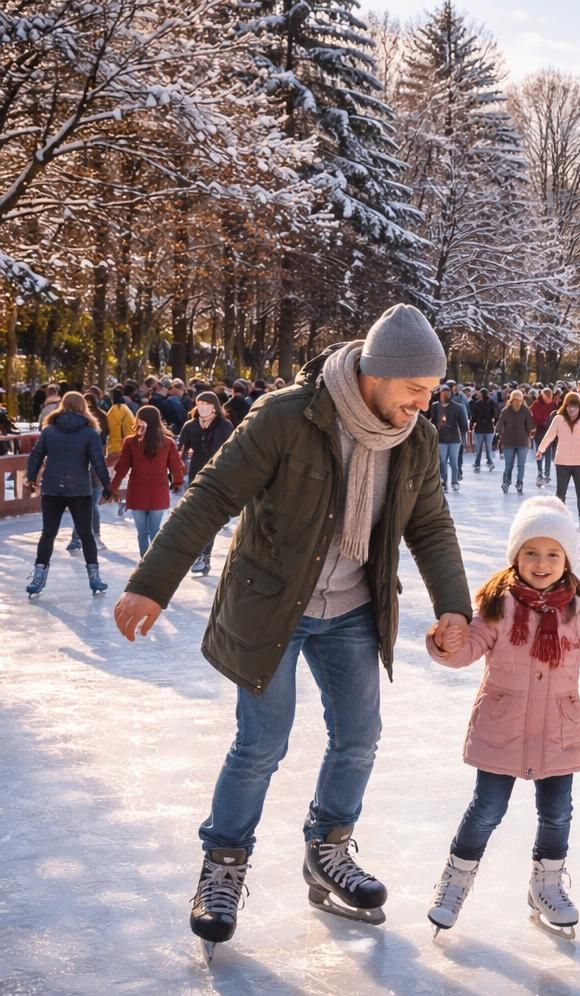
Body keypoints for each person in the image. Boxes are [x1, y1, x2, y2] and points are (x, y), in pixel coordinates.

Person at [110, 304, 472, 957]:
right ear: (376, 374)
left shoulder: (411, 440)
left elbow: (431, 527)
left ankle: (328, 849)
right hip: (272, 604)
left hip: (355, 607)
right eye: (415, 389)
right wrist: (151, 582)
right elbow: (213, 493)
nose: (425, 403)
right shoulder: (288, 415)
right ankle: (223, 864)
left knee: (360, 736)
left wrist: (455, 607)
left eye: (430, 390)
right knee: (261, 744)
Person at [422, 497, 580, 939]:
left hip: (558, 735)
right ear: (515, 557)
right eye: (530, 552)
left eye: (552, 554)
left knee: (557, 815)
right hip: (501, 730)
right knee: (486, 810)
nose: (541, 564)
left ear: (566, 560)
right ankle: (455, 881)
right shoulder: (496, 606)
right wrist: (444, 643)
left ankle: (545, 886)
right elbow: (463, 650)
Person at [24, 392, 113, 599]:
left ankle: (38, 577)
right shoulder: (90, 433)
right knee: (86, 533)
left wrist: (31, 478)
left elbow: (36, 454)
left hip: (53, 488)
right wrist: (107, 486)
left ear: (62, 406)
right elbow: (98, 461)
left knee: (48, 533)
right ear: (84, 407)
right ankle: (94, 577)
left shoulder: (49, 430)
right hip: (80, 489)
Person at [108, 404, 185, 557]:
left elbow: (122, 468)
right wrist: (178, 483)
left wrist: (113, 488)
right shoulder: (168, 442)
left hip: (137, 491)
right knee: (155, 531)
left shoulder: (131, 442)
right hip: (159, 491)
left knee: (142, 532)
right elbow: (176, 467)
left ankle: (144, 561)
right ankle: (153, 562)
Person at [177, 392, 235, 575]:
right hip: (196, 476)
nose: (203, 407)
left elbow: (233, 450)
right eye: (199, 403)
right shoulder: (190, 426)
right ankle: (200, 554)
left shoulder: (224, 425)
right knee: (195, 518)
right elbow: (180, 450)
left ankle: (204, 556)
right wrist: (178, 467)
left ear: (215, 406)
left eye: (207, 403)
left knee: (208, 519)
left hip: (218, 477)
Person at [538, 393, 580, 531]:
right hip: (562, 461)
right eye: (568, 405)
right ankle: (558, 518)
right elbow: (549, 436)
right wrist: (541, 449)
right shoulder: (558, 419)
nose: (571, 409)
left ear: (579, 405)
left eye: (574, 406)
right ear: (565, 405)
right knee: (561, 491)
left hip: (579, 461)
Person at [493, 389, 536, 494]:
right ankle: (506, 482)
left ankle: (519, 483)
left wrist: (532, 429)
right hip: (508, 442)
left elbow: (531, 425)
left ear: (522, 400)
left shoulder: (526, 411)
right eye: (515, 400)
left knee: (521, 465)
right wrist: (498, 432)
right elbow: (499, 425)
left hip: (522, 442)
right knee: (509, 465)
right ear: (511, 400)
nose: (517, 403)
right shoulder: (506, 411)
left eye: (519, 400)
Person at [429, 386, 469, 492]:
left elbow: (463, 425)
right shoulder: (435, 406)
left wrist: (464, 439)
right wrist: (435, 427)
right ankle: (443, 482)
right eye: (443, 393)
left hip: (454, 439)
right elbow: (431, 421)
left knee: (453, 462)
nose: (445, 395)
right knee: (442, 462)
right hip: (441, 439)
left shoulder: (457, 407)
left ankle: (454, 482)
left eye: (447, 393)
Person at [530, 388, 558, 486]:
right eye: (548, 398)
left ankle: (547, 473)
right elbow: (533, 417)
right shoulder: (536, 404)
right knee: (540, 451)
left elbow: (556, 415)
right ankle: (539, 472)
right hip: (539, 431)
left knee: (548, 453)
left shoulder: (553, 405)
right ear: (543, 396)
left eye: (550, 397)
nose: (549, 400)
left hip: (550, 431)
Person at [469, 388, 498, 473]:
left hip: (481, 428)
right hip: (487, 428)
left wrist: (472, 424)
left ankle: (479, 464)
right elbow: (495, 415)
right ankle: (487, 462)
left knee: (480, 448)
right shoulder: (490, 403)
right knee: (487, 447)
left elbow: (474, 416)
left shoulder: (478, 403)